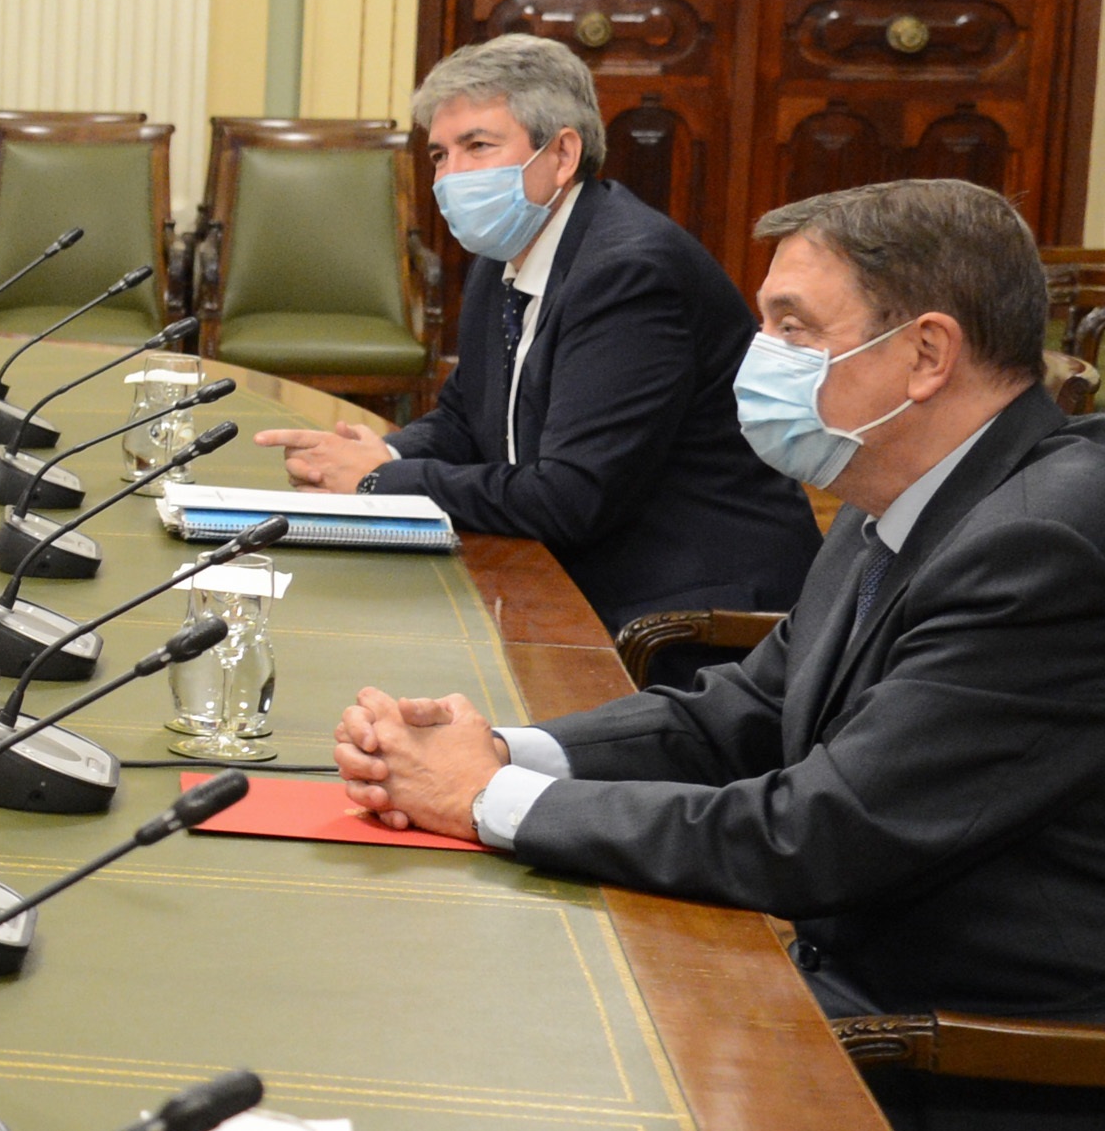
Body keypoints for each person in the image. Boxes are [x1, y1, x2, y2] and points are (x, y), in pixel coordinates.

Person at [334, 180, 1105, 1131]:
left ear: (926, 354)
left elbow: (813, 833)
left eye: (796, 328)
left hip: (959, 1094)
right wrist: (511, 748)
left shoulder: (1042, 539)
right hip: (833, 1002)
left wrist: (488, 803)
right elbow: (735, 713)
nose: (761, 357)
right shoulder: (905, 491)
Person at [255, 36, 819, 662]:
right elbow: (468, 417)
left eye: (478, 146)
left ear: (563, 153)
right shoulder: (507, 253)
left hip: (685, 607)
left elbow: (569, 499)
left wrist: (381, 481)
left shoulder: (628, 271)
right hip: (576, 569)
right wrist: (382, 450)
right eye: (440, 155)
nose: (450, 177)